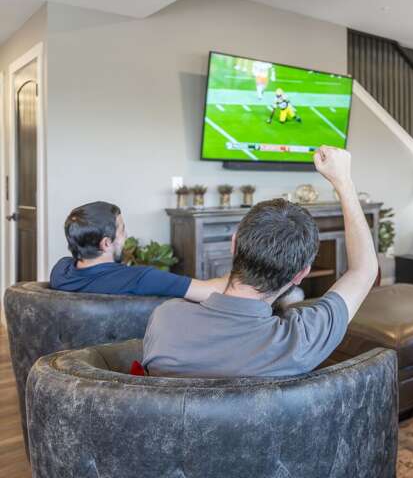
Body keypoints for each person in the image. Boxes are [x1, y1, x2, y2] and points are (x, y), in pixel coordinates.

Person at [141, 146, 378, 377]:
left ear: (234, 244)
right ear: (301, 274)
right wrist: (344, 183)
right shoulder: (301, 340)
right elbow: (364, 270)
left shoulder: (165, 318)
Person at [50, 202, 226, 302]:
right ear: (106, 243)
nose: (126, 236)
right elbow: (213, 292)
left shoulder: (60, 271)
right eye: (122, 230)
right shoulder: (140, 278)